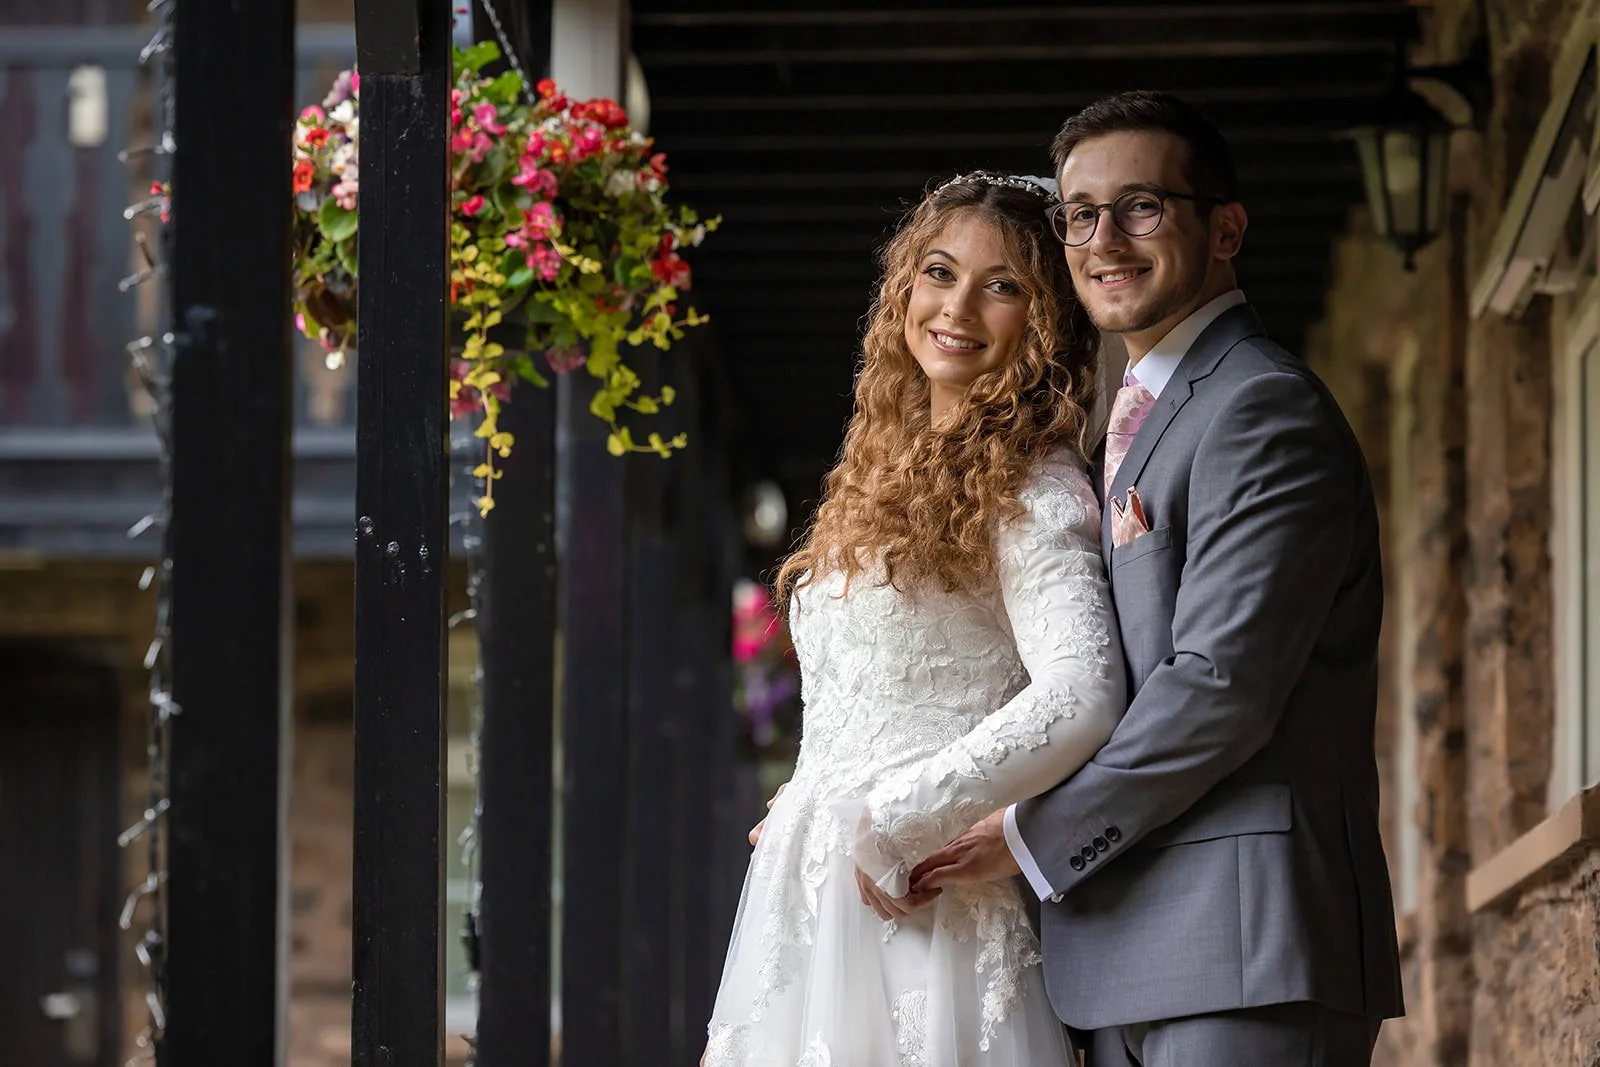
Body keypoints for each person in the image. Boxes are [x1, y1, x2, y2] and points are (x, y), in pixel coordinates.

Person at [907, 91, 1406, 1066]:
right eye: (1080, 214)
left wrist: (1027, 830)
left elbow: (1219, 686)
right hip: (1128, 949)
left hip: (1240, 944)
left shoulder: (1261, 408)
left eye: (1141, 206)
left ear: (1224, 226)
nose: (1103, 239)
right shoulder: (1137, 410)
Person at [702, 171, 1126, 1066]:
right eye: (938, 271)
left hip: (924, 905)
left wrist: (894, 815)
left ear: (1046, 320)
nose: (958, 305)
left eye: (1002, 285)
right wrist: (817, 789)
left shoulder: (1032, 486)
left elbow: (1084, 688)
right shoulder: (882, 472)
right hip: (813, 901)